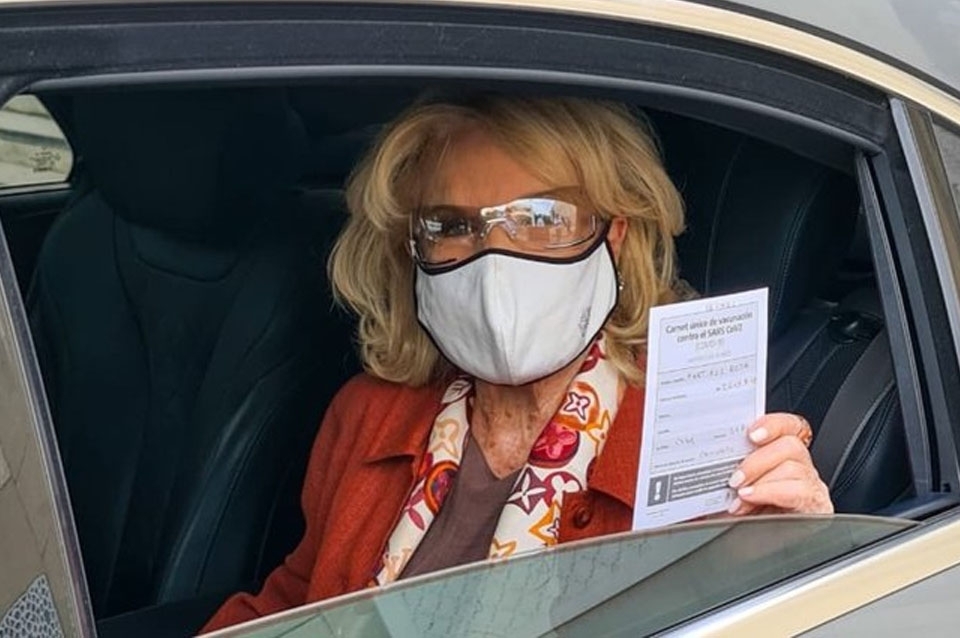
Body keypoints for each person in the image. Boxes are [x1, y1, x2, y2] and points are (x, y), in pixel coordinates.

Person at [202, 94, 832, 631]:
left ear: (615, 235)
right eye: (451, 225)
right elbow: (298, 605)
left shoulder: (703, 438)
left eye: (541, 218)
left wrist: (797, 563)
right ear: (411, 249)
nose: (494, 263)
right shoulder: (370, 412)